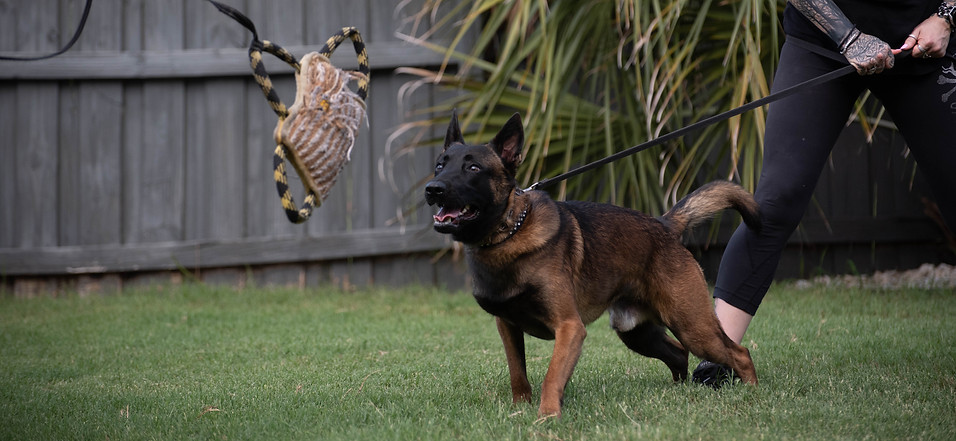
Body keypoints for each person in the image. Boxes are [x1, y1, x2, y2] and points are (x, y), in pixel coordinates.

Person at [692, 0, 956, 387]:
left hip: (922, 43)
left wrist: (945, 16)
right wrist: (848, 38)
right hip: (821, 44)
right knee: (777, 199)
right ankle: (719, 356)